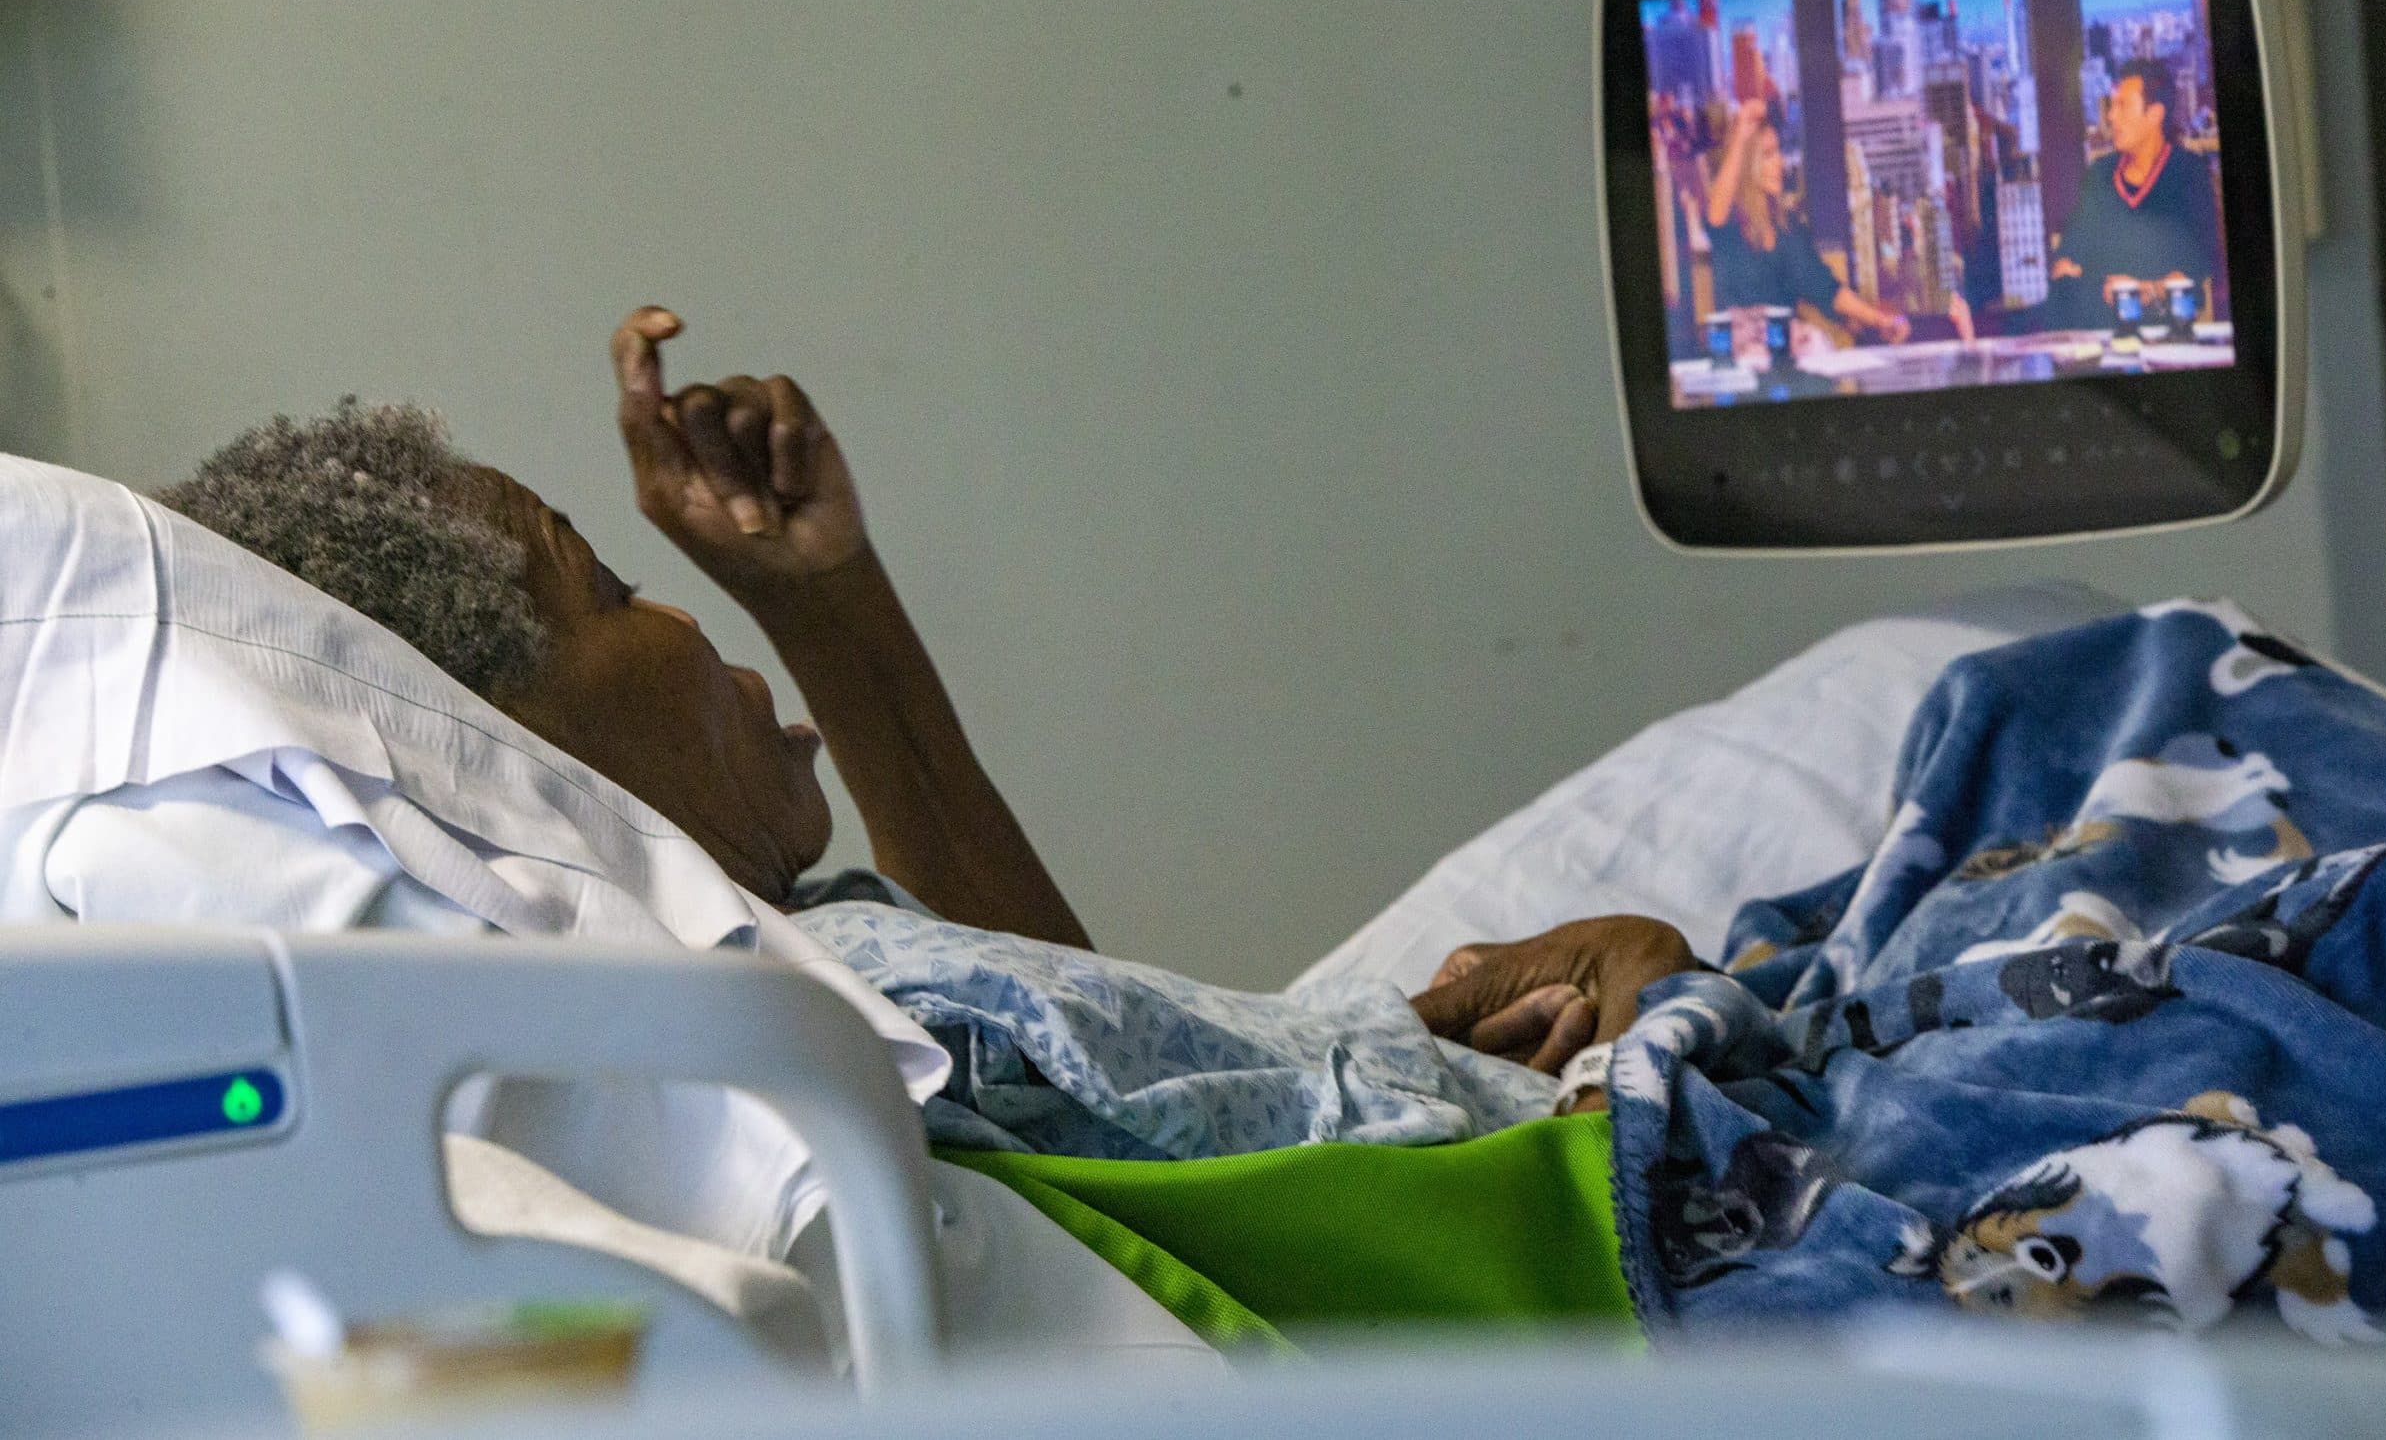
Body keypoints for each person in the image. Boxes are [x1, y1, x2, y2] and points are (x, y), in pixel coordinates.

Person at [155, 308, 1689, 1082]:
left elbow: (1100, 1039)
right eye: (610, 593)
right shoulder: (776, 1032)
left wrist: (822, 604)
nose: (673, 606)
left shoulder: (800, 976)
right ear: (499, 757)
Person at [1704, 100, 1973, 348]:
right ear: (1748, 163)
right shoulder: (1731, 223)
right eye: (1768, 155)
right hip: (1739, 352)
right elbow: (1715, 214)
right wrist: (1740, 134)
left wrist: (1881, 321)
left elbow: (1826, 289)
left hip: (1780, 351)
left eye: (1778, 153)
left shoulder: (1788, 228)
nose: (1780, 163)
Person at [2047, 57, 2223, 331]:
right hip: (2097, 324)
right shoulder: (2101, 174)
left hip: (2168, 325)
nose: (2111, 116)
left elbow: (2197, 261)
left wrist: (2147, 289)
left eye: (2123, 106)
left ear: (2154, 115)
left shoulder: (2188, 173)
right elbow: (2070, 253)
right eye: (2112, 105)